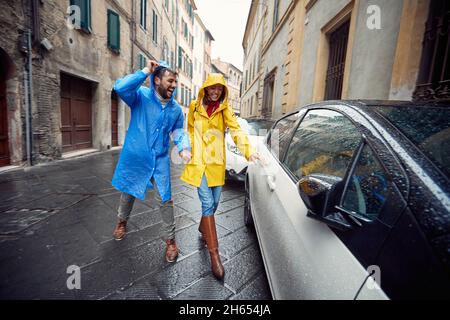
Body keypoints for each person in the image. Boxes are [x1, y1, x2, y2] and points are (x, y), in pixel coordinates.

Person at [111, 60, 191, 263]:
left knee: (166, 199)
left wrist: (183, 148)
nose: (174, 85)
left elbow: (179, 131)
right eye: (170, 80)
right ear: (157, 81)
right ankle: (122, 221)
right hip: (137, 156)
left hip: (161, 159)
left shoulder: (175, 110)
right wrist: (145, 70)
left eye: (176, 81)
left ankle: (171, 241)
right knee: (128, 191)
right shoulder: (140, 97)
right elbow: (120, 87)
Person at [180, 74, 259, 279]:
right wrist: (187, 147)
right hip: (199, 163)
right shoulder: (195, 107)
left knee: (214, 204)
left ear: (223, 91)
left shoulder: (225, 110)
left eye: (219, 89)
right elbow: (189, 130)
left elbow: (236, 131)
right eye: (212, 88)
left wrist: (248, 151)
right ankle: (215, 256)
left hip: (216, 164)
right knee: (207, 204)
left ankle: (203, 227)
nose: (215, 92)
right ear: (205, 88)